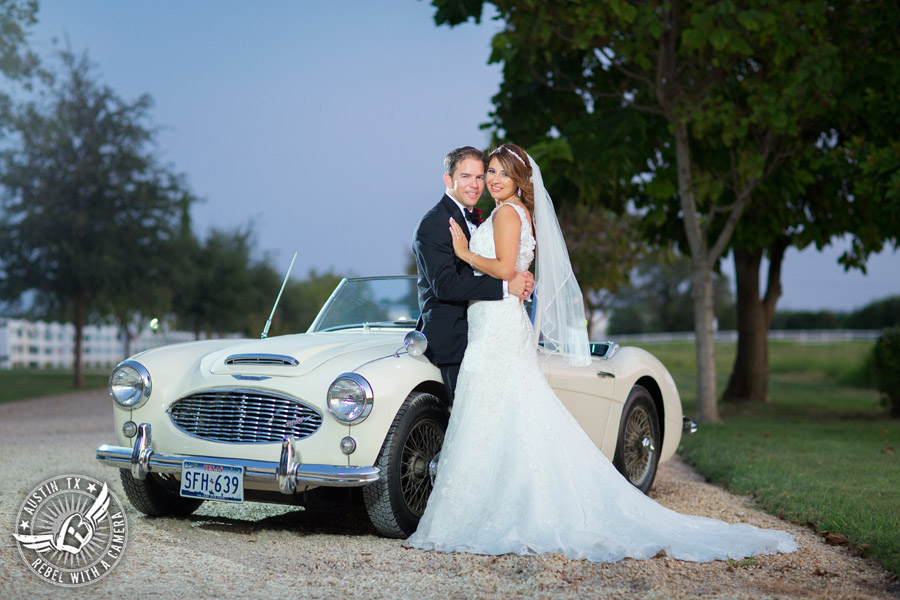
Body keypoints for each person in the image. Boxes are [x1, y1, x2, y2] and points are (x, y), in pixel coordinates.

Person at [406, 143, 798, 562]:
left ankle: (495, 512)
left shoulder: (502, 212)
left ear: (519, 179)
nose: (487, 181)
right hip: (485, 326)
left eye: (492, 173)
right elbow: (475, 279)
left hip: (497, 327)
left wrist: (475, 258)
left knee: (497, 414)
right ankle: (502, 504)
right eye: (481, 174)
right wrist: (508, 280)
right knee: (501, 416)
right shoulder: (462, 219)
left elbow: (501, 268)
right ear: (450, 180)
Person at [412, 145, 533, 404]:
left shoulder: (483, 218)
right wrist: (505, 285)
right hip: (452, 340)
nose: (476, 185)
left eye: (480, 176)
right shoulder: (434, 224)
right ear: (449, 180)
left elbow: (498, 260)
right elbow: (445, 286)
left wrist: (521, 275)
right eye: (466, 177)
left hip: (485, 331)